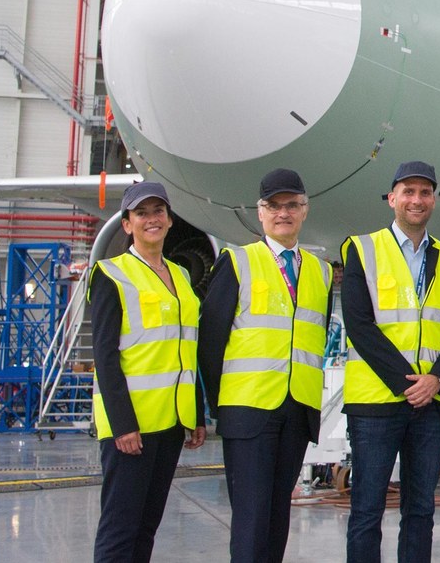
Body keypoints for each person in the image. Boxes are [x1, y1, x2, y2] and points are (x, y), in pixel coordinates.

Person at [339, 159, 440, 563]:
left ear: (434, 200)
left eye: (425, 192)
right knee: (367, 510)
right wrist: (408, 383)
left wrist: (436, 380)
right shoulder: (362, 248)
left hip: (432, 403)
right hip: (376, 404)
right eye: (408, 192)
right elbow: (359, 325)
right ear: (392, 198)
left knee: (421, 510)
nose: (417, 200)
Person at [199, 168, 332, 563]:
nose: (283, 213)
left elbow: (315, 336)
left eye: (291, 205)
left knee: (277, 517)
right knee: (252, 519)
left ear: (305, 210)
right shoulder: (237, 262)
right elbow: (210, 343)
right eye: (274, 206)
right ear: (260, 213)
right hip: (248, 410)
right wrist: (220, 406)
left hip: (297, 410)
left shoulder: (321, 271)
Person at [89, 181, 207, 563]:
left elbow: (187, 349)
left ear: (170, 220)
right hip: (131, 428)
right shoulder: (112, 274)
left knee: (146, 528)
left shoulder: (181, 276)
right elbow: (105, 356)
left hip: (169, 423)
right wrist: (123, 425)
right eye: (141, 213)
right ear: (127, 224)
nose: (151, 219)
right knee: (119, 530)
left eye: (158, 211)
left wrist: (196, 412)